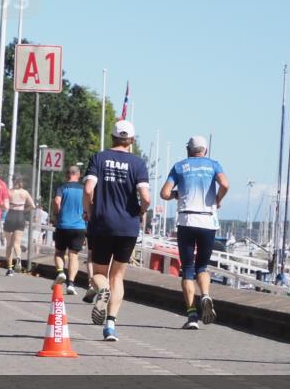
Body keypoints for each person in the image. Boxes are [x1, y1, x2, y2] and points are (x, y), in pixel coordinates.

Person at [83, 120, 151, 341]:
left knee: (100, 274)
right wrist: (140, 211)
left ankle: (102, 292)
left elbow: (88, 188)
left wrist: (89, 211)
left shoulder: (99, 158)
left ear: (112, 137)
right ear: (131, 140)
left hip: (102, 223)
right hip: (127, 227)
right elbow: (147, 197)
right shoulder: (138, 164)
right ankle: (110, 325)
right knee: (118, 276)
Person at [160, 135, 229, 329]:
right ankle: (205, 295)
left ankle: (192, 316)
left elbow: (164, 193)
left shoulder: (179, 166)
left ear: (188, 150)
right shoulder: (214, 165)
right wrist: (217, 199)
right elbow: (225, 184)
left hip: (187, 220)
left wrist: (177, 194)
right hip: (208, 220)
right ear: (205, 150)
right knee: (203, 267)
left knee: (188, 269)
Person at [53, 165, 87, 296]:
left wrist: (56, 213)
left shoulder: (62, 188)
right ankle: (71, 284)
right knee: (74, 256)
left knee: (59, 253)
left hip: (63, 225)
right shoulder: (84, 189)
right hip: (79, 226)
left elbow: (57, 201)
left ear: (67, 175)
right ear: (78, 175)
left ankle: (61, 272)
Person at [4, 176, 34, 276]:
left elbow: (4, 204)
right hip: (20, 216)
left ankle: (9, 269)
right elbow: (32, 206)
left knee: (9, 244)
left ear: (13, 181)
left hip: (10, 216)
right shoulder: (25, 192)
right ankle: (19, 257)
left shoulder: (9, 192)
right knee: (17, 243)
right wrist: (24, 210)